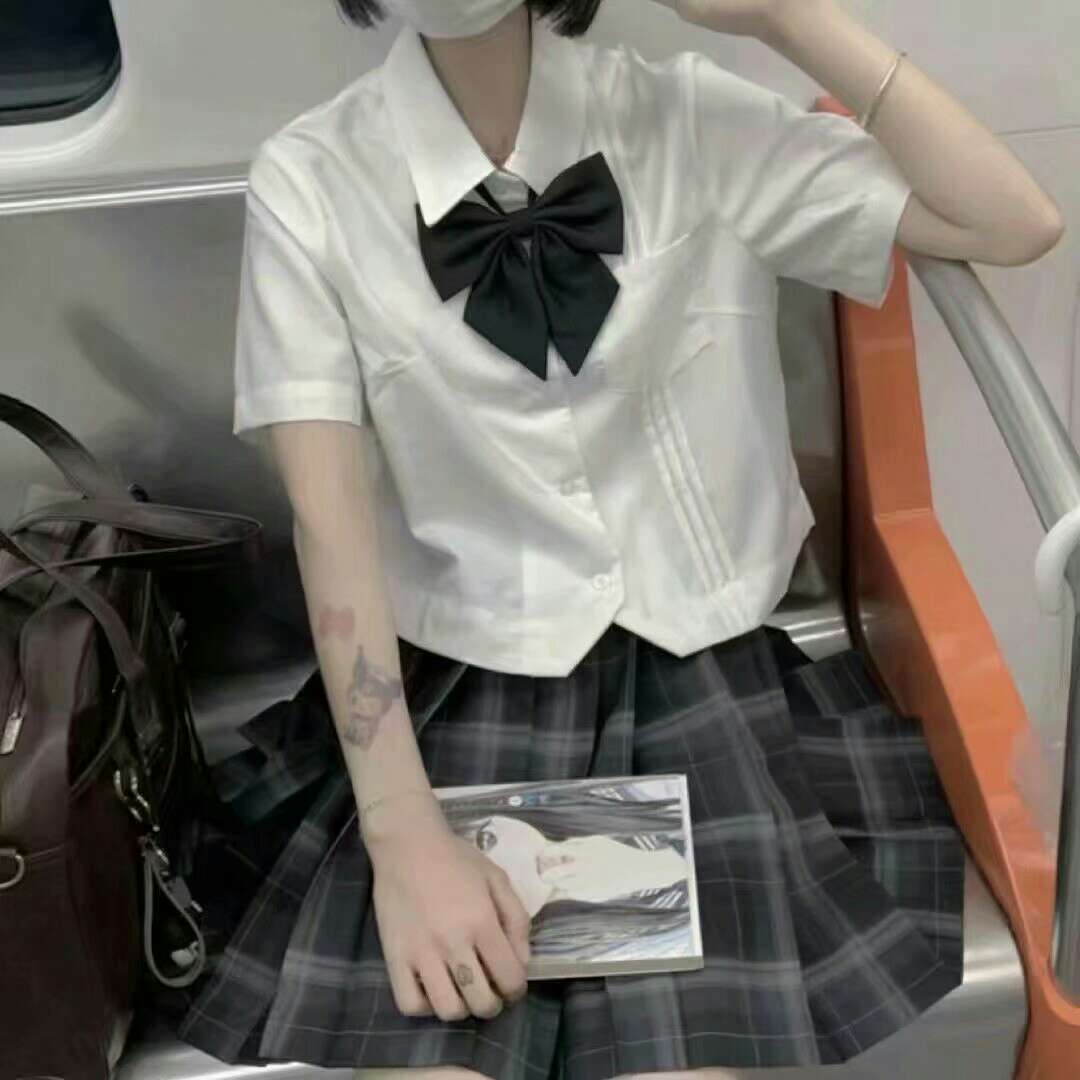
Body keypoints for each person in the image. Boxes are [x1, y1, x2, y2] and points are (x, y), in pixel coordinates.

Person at [168, 0, 1066, 1077]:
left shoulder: (685, 115)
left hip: (708, 682)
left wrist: (783, 15)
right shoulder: (314, 177)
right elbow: (330, 522)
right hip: (454, 696)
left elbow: (1010, 222)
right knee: (433, 1055)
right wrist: (402, 836)